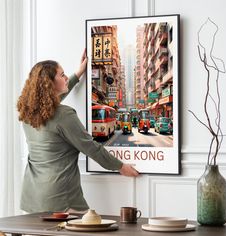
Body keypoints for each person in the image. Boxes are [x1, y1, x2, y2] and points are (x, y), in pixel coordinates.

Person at [17, 51, 139, 213]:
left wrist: (78, 73)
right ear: (49, 83)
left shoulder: (29, 112)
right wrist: (120, 166)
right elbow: (90, 147)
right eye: (62, 75)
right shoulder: (64, 114)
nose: (66, 77)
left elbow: (50, 103)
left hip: (32, 196)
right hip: (60, 198)